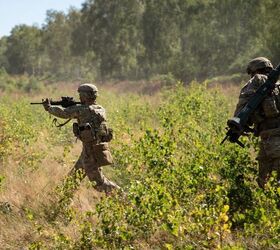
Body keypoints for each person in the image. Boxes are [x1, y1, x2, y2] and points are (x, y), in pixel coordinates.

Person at [43, 83, 120, 194]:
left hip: (91, 153)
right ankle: (61, 202)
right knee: (73, 178)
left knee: (99, 183)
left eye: (81, 95)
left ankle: (124, 198)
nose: (79, 97)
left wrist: (49, 108)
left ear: (85, 96)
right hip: (94, 149)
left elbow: (64, 113)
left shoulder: (82, 110)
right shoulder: (100, 109)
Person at [233, 57, 280, 188]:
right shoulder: (277, 86)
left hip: (271, 139)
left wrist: (238, 125)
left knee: (271, 182)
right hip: (267, 139)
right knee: (264, 181)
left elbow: (242, 108)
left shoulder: (256, 81)